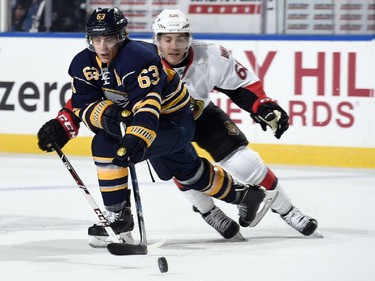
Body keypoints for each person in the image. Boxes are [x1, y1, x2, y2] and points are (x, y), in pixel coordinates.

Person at [37, 7, 276, 247]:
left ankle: (118, 216)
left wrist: (136, 137)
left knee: (107, 143)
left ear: (121, 36)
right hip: (143, 122)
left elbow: (148, 104)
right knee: (187, 171)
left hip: (173, 121)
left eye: (109, 39)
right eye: (97, 40)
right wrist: (64, 123)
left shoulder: (139, 58)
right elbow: (83, 101)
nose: (103, 47)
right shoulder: (83, 63)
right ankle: (244, 195)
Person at [151, 9, 318, 237]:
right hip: (166, 125)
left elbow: (241, 86)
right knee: (183, 169)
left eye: (181, 38)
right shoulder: (142, 62)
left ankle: (288, 211)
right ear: (157, 40)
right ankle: (208, 211)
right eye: (167, 39)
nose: (174, 46)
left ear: (190, 38)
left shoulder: (210, 55)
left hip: (201, 115)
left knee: (246, 163)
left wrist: (262, 106)